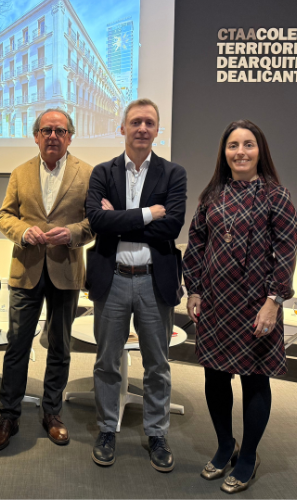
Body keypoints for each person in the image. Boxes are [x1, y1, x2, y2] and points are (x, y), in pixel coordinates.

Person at [182, 120, 297, 493]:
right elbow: (196, 243)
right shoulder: (212, 195)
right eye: (233, 145)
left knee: (255, 379)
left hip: (257, 305)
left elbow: (286, 252)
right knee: (215, 377)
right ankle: (224, 445)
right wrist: (194, 290)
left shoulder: (277, 196)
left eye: (248, 144)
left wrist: (273, 302)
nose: (241, 152)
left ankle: (247, 456)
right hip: (216, 303)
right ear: (224, 152)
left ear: (260, 151)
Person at [85, 98, 187, 471]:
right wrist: (147, 214)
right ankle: (107, 429)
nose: (142, 128)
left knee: (157, 364)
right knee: (106, 362)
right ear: (122, 128)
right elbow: (96, 221)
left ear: (157, 130)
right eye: (135, 122)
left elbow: (171, 227)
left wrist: (120, 219)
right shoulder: (103, 172)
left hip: (153, 280)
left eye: (149, 123)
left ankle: (157, 433)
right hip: (111, 279)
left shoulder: (173, 174)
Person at [0, 109, 94, 451]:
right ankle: (8, 416)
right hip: (27, 270)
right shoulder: (20, 173)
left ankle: (52, 413)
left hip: (66, 271)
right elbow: (4, 216)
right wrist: (23, 232)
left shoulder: (87, 173)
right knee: (17, 346)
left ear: (70, 137)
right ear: (36, 136)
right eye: (46, 130)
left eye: (60, 131)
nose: (53, 136)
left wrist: (73, 233)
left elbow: (94, 221)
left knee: (60, 347)